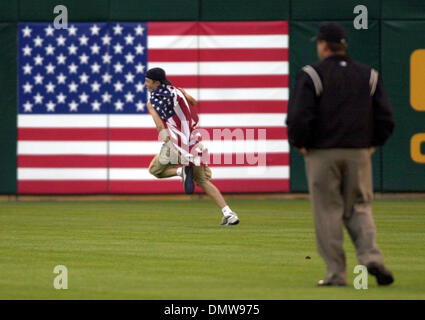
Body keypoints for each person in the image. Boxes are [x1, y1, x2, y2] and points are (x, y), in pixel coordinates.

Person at [287, 23, 395, 286]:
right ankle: (371, 257)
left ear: (323, 45)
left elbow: (299, 116)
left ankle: (336, 273)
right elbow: (385, 119)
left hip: (322, 153)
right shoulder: (368, 75)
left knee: (328, 211)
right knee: (360, 207)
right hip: (358, 152)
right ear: (344, 45)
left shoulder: (312, 74)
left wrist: (300, 142)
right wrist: (372, 144)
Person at [144, 67, 239, 226]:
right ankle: (228, 213)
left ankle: (181, 170)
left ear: (156, 82)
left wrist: (169, 145)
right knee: (203, 180)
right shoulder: (178, 90)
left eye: (148, 81)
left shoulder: (152, 102)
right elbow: (193, 102)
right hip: (194, 141)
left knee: (155, 170)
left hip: (175, 143)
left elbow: (160, 127)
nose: (145, 84)